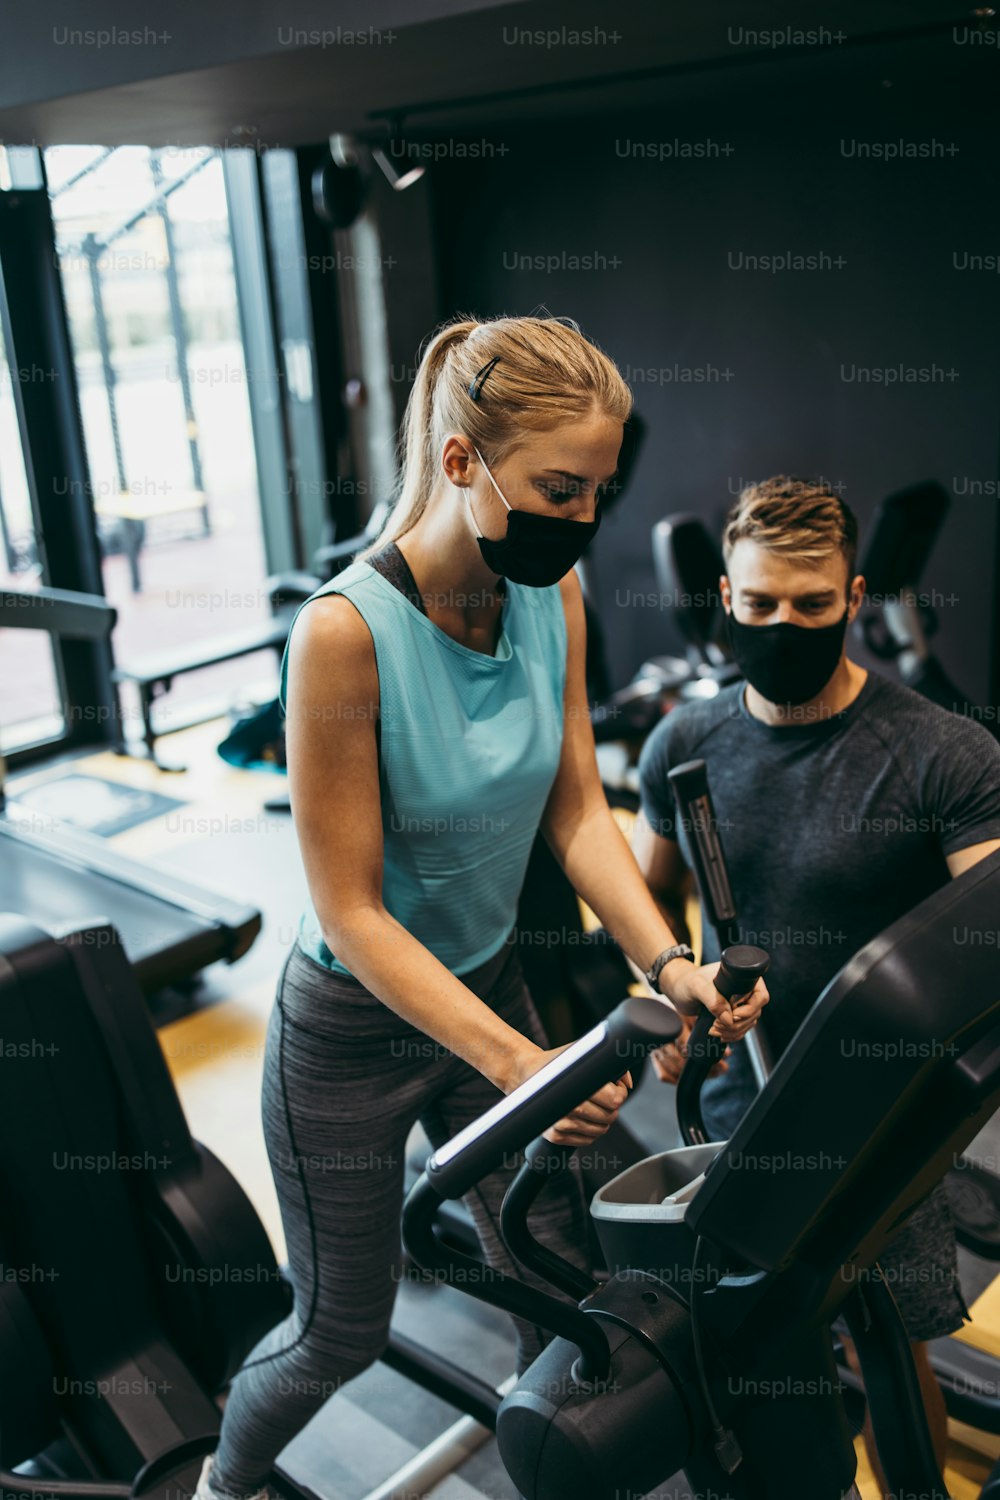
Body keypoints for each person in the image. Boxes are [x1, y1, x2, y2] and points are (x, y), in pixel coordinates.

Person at [195, 314, 768, 1500]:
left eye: (600, 490)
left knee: (555, 1275)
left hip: (489, 982)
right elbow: (350, 912)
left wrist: (669, 965)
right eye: (559, 486)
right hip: (350, 1030)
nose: (583, 518)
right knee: (335, 1333)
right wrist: (525, 1067)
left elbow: (574, 815)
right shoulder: (345, 636)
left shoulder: (545, 599)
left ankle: (546, 1468)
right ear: (461, 461)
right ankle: (222, 1483)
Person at [633, 474, 1000, 1495]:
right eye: (758, 606)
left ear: (853, 596)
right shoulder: (684, 744)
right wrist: (673, 988)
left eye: (809, 604)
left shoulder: (943, 754)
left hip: (881, 1126)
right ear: (725, 599)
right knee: (754, 1354)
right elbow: (642, 909)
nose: (781, 625)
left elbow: (989, 938)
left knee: (892, 1347)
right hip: (729, 1108)